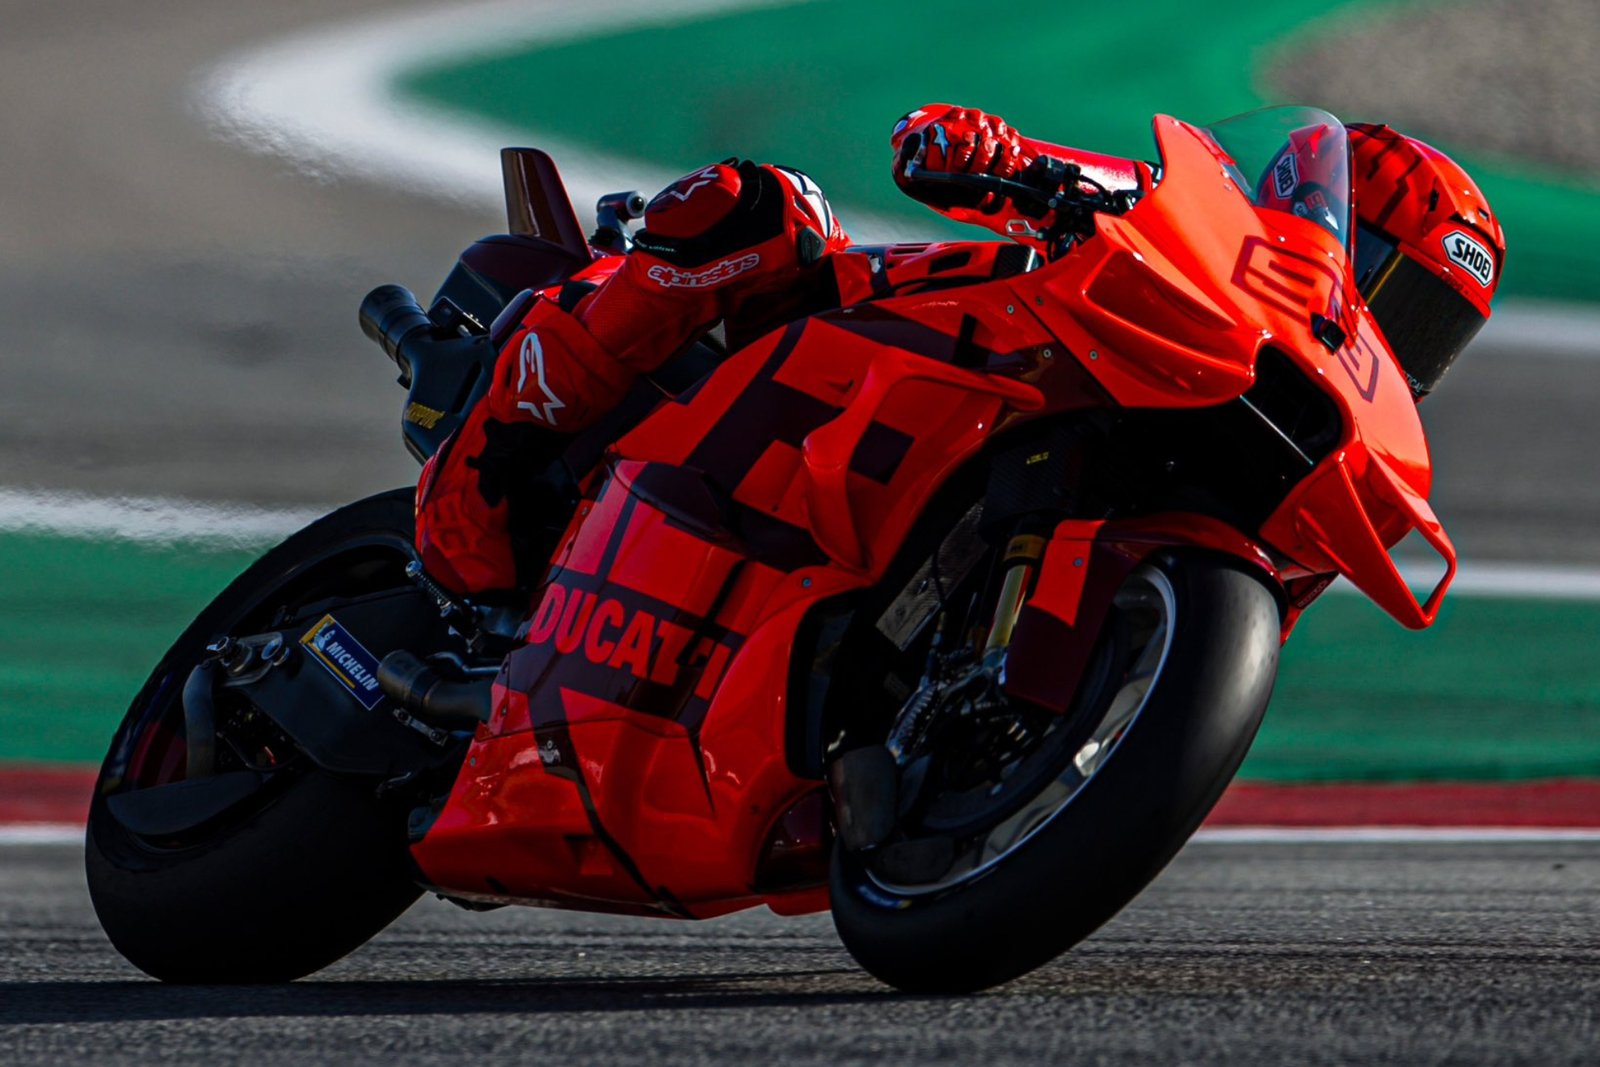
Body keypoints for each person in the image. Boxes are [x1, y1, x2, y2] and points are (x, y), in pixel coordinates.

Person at [413, 104, 1505, 598]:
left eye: (1431, 329)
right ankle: (489, 458)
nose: (1397, 338)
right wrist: (989, 152)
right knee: (756, 206)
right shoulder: (1200, 235)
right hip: (839, 341)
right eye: (1394, 286)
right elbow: (1070, 177)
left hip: (913, 502)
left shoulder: (1312, 489)